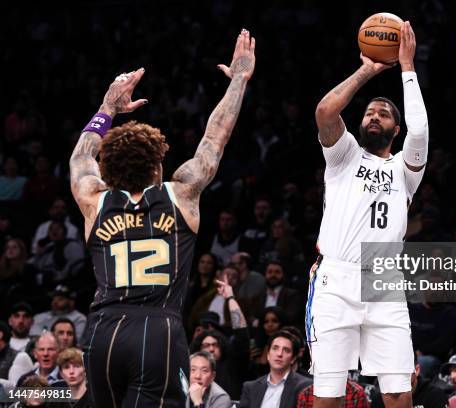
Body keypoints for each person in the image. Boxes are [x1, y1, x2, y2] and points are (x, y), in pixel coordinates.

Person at [70, 29, 255, 408]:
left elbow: (80, 157)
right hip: (157, 329)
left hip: (103, 329)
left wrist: (108, 108)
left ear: (109, 169)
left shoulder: (93, 199)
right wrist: (238, 79)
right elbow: (215, 138)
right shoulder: (181, 194)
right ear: (158, 162)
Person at [308, 20, 427, 407]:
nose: (374, 116)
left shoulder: (404, 171)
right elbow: (326, 110)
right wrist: (368, 69)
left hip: (383, 281)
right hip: (336, 278)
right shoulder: (343, 156)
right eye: (370, 112)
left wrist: (407, 68)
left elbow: (421, 132)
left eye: (384, 114)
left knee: (397, 394)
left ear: (395, 130)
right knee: (328, 395)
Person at [239, 331, 312, 408]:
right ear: (268, 355)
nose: (279, 354)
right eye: (275, 348)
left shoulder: (305, 386)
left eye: (286, 350)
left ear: (293, 359)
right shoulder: (251, 387)